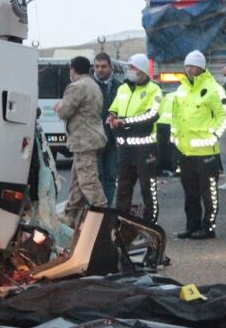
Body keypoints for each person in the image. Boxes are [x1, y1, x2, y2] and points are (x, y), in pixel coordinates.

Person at [168, 50, 226, 240]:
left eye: (193, 66)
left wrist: (214, 135)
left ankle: (208, 227)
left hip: (206, 152)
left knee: (208, 192)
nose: (189, 69)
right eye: (187, 66)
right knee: (190, 193)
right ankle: (192, 225)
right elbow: (175, 116)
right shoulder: (181, 89)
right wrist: (175, 138)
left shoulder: (213, 88)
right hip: (185, 151)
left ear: (202, 67)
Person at [107, 53, 162, 223]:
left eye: (133, 68)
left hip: (144, 148)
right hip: (124, 148)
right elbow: (114, 108)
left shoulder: (154, 90)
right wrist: (112, 117)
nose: (129, 71)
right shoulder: (122, 89)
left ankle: (150, 223)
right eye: (129, 67)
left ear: (143, 70)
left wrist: (126, 122)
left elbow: (152, 115)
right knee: (122, 188)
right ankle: (121, 223)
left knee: (148, 188)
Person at [55, 55, 108, 227]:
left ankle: (104, 218)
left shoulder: (77, 87)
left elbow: (65, 111)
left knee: (88, 182)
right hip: (91, 139)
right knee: (77, 183)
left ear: (73, 70)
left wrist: (58, 107)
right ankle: (69, 217)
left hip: (83, 141)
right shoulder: (93, 85)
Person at [92, 52, 122, 206]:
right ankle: (96, 210)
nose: (100, 70)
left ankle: (107, 208)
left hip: (113, 139)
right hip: (95, 139)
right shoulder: (90, 86)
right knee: (96, 177)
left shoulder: (120, 87)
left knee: (111, 176)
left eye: (103, 66)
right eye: (97, 66)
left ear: (110, 67)